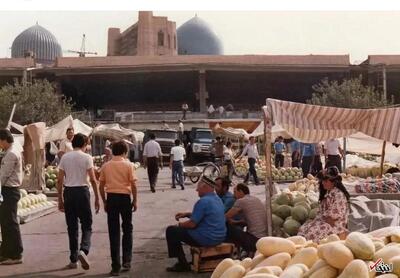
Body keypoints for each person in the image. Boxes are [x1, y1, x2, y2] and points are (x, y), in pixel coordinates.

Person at [57, 133, 100, 270]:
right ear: (84, 144)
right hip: (82, 192)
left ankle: (73, 259)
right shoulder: (87, 157)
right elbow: (93, 179)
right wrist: (97, 198)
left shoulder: (65, 157)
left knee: (72, 227)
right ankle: (84, 250)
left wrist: (60, 198)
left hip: (68, 192)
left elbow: (59, 180)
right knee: (87, 224)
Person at [165, 176, 226, 272]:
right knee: (182, 229)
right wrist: (187, 214)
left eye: (199, 187)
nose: (197, 190)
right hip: (220, 237)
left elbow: (192, 224)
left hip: (207, 238)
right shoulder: (218, 200)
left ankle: (182, 264)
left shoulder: (203, 201)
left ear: (205, 187)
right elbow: (206, 215)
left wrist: (179, 225)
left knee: (171, 231)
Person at [99, 141, 138, 276]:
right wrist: (135, 201)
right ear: (124, 152)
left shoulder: (106, 166)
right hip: (125, 198)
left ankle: (115, 266)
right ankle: (127, 260)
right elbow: (133, 185)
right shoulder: (129, 165)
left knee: (113, 232)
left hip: (111, 198)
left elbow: (101, 185)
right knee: (127, 228)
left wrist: (104, 201)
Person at [298, 166, 350, 243]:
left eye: (325, 181)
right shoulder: (328, 193)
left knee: (312, 234)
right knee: (303, 229)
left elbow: (334, 218)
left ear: (333, 182)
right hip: (326, 221)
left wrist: (320, 221)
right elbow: (323, 214)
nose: (322, 183)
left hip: (336, 225)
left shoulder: (338, 195)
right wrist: (318, 221)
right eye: (322, 181)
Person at [0, 129, 23, 265]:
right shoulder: (11, 151)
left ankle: (16, 254)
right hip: (8, 190)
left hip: (9, 191)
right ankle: (7, 252)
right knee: (6, 222)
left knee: (10, 222)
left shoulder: (11, 154)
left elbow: (3, 176)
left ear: (3, 140)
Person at [225, 183, 267, 256]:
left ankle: (231, 252)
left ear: (241, 191)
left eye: (235, 192)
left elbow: (225, 217)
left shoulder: (241, 201)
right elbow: (250, 221)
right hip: (264, 238)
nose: (233, 195)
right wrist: (236, 222)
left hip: (254, 240)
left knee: (227, 227)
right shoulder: (256, 199)